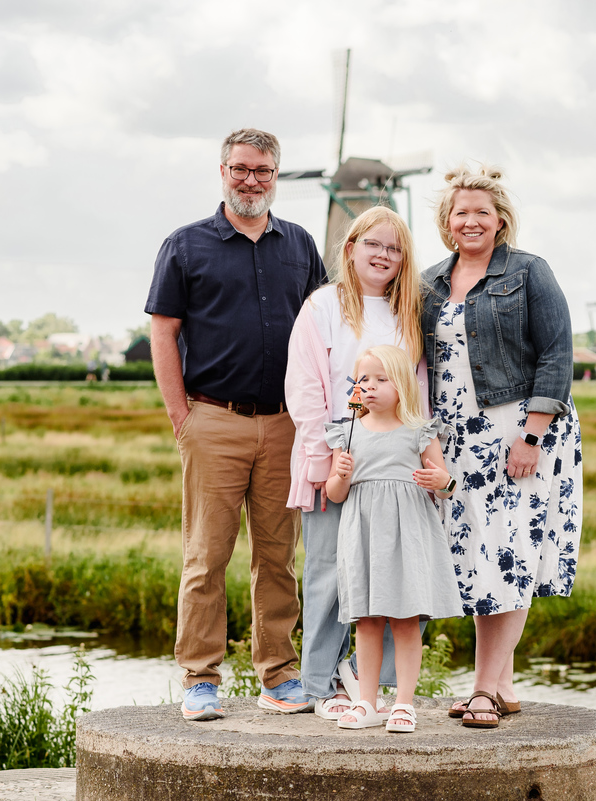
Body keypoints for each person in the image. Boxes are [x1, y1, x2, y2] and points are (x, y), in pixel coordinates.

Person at [145, 128, 327, 721]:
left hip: (285, 427)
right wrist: (182, 416)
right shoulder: (186, 245)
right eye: (242, 169)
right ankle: (200, 678)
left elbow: (324, 326)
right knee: (207, 556)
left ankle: (278, 674)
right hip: (213, 420)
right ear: (222, 170)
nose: (252, 180)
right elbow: (164, 331)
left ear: (278, 175)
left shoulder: (298, 244)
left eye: (264, 170)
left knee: (278, 557)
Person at [421, 164, 583, 728]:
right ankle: (504, 684)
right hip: (458, 435)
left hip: (519, 429)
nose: (471, 221)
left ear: (500, 221)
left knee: (510, 553)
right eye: (460, 212)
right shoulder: (430, 282)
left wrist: (532, 435)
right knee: (480, 558)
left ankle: (485, 689)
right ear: (447, 221)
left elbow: (558, 354)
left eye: (481, 213)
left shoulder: (529, 272)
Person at [284, 206, 425, 719]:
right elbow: (305, 386)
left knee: (402, 573)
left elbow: (418, 389)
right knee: (328, 572)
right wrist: (321, 457)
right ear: (351, 249)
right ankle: (320, 683)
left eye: (394, 248)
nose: (384, 255)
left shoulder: (408, 312)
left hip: (394, 467)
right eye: (374, 244)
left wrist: (423, 456)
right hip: (337, 459)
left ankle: (370, 678)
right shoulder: (324, 306)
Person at [321, 345, 463, 732]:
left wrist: (442, 482)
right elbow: (335, 493)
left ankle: (403, 703)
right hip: (364, 534)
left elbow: (446, 484)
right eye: (363, 379)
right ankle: (366, 701)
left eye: (381, 379)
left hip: (406, 536)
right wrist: (342, 475)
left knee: (404, 620)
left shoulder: (418, 430)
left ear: (401, 384)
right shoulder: (348, 431)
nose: (369, 387)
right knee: (366, 621)